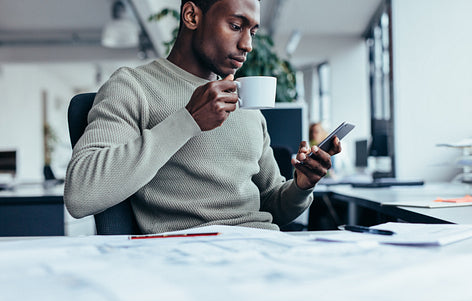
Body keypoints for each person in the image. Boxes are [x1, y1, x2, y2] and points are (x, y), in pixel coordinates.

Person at [64, 0, 341, 233]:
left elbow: (272, 204)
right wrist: (188, 120)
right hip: (190, 257)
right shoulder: (133, 87)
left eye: (252, 32)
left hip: (262, 247)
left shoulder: (247, 104)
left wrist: (302, 186)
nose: (247, 45)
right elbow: (81, 194)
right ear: (192, 16)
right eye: (235, 26)